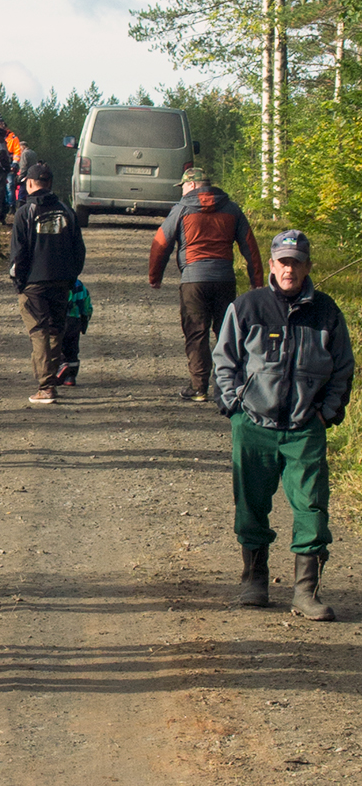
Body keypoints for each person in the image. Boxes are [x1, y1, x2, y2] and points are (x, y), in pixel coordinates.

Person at [212, 229, 354, 620]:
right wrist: (235, 404)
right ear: (272, 265)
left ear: (308, 266)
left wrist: (327, 412)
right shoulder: (247, 306)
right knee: (251, 505)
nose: (289, 269)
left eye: (296, 262)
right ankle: (254, 579)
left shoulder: (326, 312)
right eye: (282, 261)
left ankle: (306, 591)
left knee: (311, 506)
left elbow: (343, 368)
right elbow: (224, 361)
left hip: (304, 427)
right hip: (254, 423)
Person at [149, 166, 264, 402]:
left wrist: (155, 276)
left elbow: (161, 242)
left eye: (182, 187)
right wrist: (256, 281)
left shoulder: (181, 209)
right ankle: (228, 387)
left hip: (194, 281)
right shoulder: (232, 209)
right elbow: (249, 246)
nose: (181, 191)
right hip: (224, 280)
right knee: (226, 333)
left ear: (191, 185)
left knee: (196, 333)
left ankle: (199, 388)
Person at [8, 162, 86, 406]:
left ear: (30, 183)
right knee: (55, 331)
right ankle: (49, 382)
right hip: (62, 282)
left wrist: (19, 282)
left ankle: (46, 387)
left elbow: (18, 254)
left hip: (34, 284)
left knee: (39, 332)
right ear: (50, 183)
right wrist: (71, 277)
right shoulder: (66, 210)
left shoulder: (24, 213)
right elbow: (79, 250)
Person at [57, 277, 93, 387]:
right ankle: (71, 377)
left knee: (59, 345)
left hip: (60, 320)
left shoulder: (57, 283)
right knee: (72, 348)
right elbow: (86, 305)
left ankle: (62, 366)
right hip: (75, 321)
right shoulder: (79, 284)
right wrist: (86, 317)